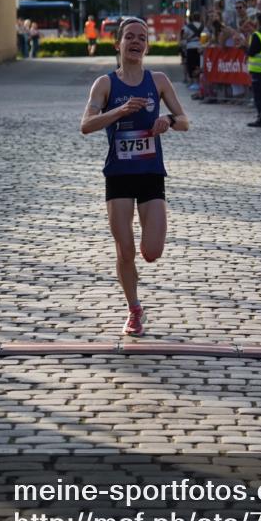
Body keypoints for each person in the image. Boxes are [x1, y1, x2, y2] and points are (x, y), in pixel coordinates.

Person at [80, 17, 189, 337]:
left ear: (147, 46)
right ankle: (134, 309)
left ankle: (139, 282)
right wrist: (120, 111)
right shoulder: (105, 84)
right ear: (118, 44)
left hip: (151, 171)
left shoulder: (158, 81)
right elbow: (86, 125)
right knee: (125, 250)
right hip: (119, 174)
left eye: (142, 37)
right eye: (130, 37)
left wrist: (168, 120)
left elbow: (185, 121)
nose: (136, 42)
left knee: (151, 251)